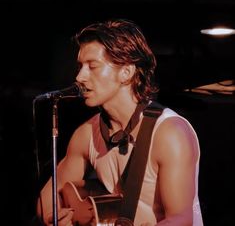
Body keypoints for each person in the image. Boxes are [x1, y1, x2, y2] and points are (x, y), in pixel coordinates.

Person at [36, 18, 203, 225]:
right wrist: (56, 217)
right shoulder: (87, 133)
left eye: (92, 66)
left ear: (126, 72)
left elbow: (180, 219)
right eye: (80, 66)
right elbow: (47, 198)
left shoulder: (170, 133)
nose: (79, 76)